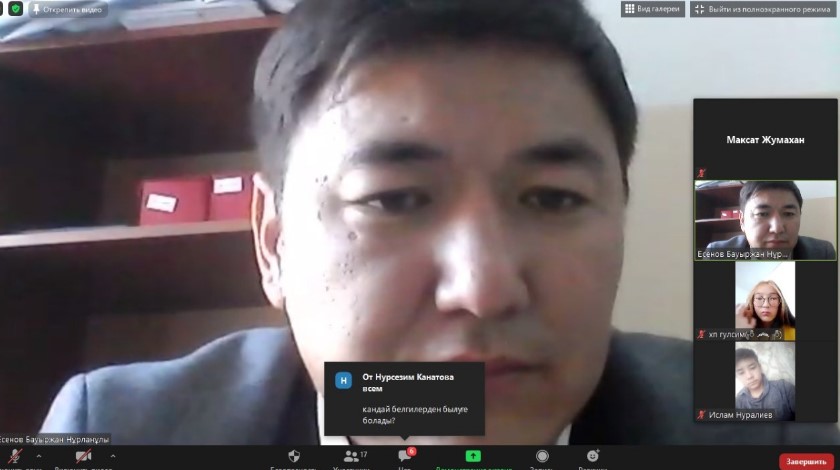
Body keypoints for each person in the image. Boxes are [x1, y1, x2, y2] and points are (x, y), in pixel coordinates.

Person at [40, 0, 840, 445]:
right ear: (274, 244)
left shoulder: (760, 432)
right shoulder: (125, 432)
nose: (485, 288)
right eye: (394, 199)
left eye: (553, 198)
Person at [705, 181, 836, 260]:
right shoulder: (716, 254)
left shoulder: (822, 253)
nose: (777, 228)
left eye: (788, 213)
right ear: (742, 221)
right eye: (762, 214)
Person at [735, 348, 796, 421]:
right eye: (741, 373)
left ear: (760, 368)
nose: (749, 376)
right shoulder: (738, 402)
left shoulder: (784, 388)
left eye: (752, 368)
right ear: (737, 377)